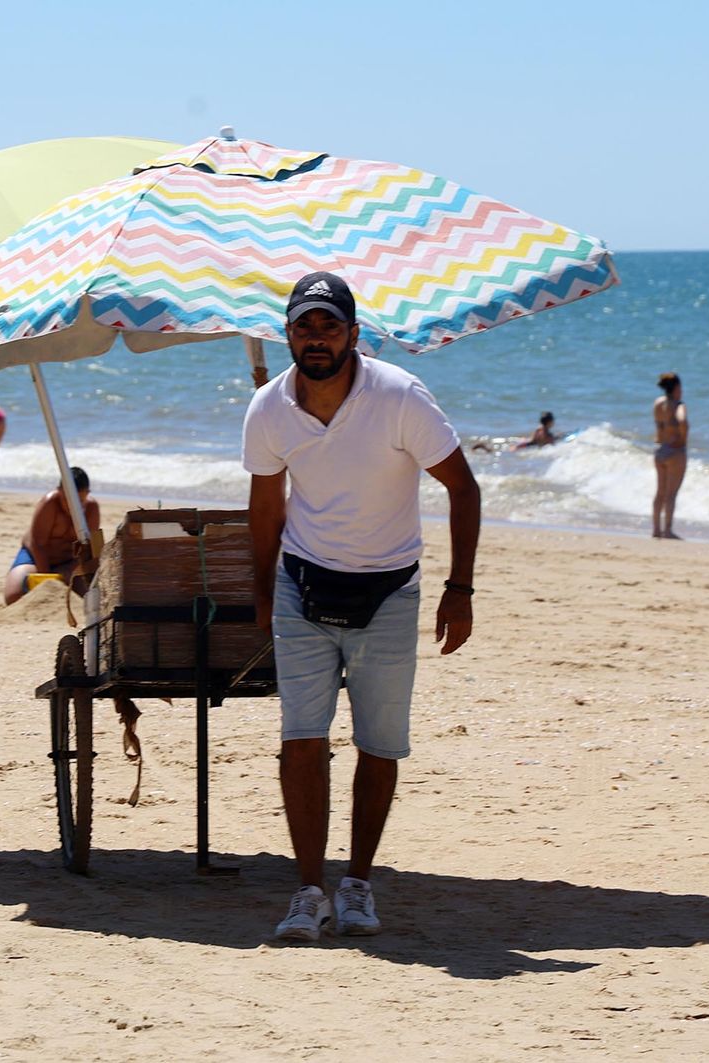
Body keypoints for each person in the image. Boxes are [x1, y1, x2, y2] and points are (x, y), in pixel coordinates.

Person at [244, 272, 480, 942]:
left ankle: (358, 884)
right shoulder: (268, 408)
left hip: (389, 591)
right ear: (287, 333)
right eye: (302, 326)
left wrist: (458, 589)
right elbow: (266, 506)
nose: (314, 339)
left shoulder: (401, 397)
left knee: (378, 743)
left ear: (354, 333)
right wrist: (263, 592)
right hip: (302, 587)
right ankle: (308, 890)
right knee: (301, 739)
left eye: (328, 326)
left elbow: (464, 488)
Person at [3, 467, 103, 605]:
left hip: (69, 563)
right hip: (35, 559)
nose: (74, 506)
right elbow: (38, 544)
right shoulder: (49, 503)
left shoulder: (91, 508)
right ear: (60, 491)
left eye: (80, 501)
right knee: (13, 596)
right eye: (69, 500)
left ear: (87, 494)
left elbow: (90, 549)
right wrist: (47, 581)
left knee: (90, 599)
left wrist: (70, 572)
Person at [652, 372, 688, 540]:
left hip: (660, 448)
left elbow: (659, 425)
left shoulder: (658, 403)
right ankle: (668, 529)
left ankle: (656, 529)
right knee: (671, 493)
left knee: (660, 491)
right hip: (675, 452)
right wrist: (682, 440)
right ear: (676, 388)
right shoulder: (679, 405)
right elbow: (683, 421)